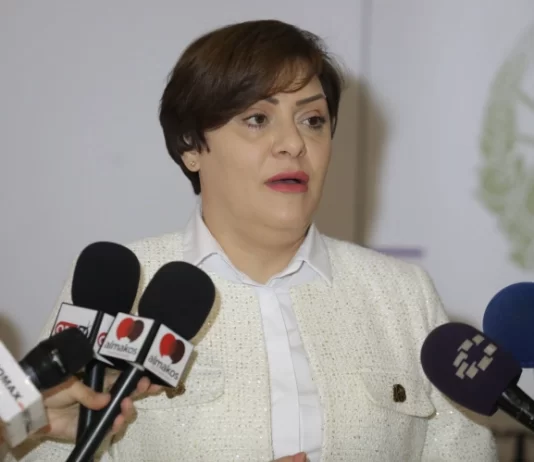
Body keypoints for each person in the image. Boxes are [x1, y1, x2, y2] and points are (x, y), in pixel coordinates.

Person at [5, 19, 497, 462]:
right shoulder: (119, 287)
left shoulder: (402, 294)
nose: (294, 144)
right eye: (258, 119)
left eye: (313, 120)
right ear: (191, 146)